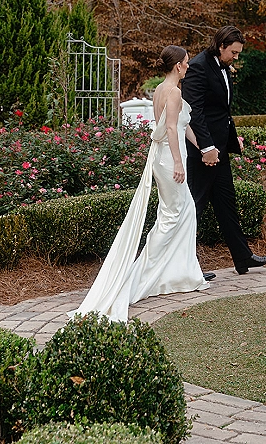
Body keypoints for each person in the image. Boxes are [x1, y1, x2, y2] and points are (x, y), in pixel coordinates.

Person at [70, 45, 211, 323]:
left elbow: (183, 126)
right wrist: (179, 163)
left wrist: (204, 147)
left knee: (183, 213)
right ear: (177, 66)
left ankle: (179, 273)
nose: (189, 66)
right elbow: (170, 128)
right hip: (171, 160)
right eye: (186, 62)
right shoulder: (174, 92)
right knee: (172, 217)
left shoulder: (160, 89)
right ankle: (142, 275)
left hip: (164, 156)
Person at [182, 25, 266, 275]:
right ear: (221, 46)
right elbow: (194, 112)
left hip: (220, 149)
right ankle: (186, 267)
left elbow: (221, 111)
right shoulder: (199, 66)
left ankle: (243, 258)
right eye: (233, 52)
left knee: (226, 204)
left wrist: (230, 140)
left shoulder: (221, 66)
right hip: (203, 153)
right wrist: (207, 147)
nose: (236, 57)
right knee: (195, 208)